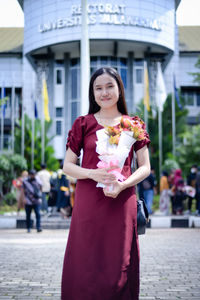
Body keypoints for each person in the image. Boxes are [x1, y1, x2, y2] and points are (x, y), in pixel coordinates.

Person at [61, 67, 150, 300]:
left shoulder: (134, 124)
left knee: (119, 260)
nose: (104, 92)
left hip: (122, 201)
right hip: (89, 201)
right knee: (86, 258)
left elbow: (145, 167)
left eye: (110, 86)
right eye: (98, 88)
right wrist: (92, 174)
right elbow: (67, 166)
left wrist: (123, 184)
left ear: (119, 88)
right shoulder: (83, 123)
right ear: (92, 93)